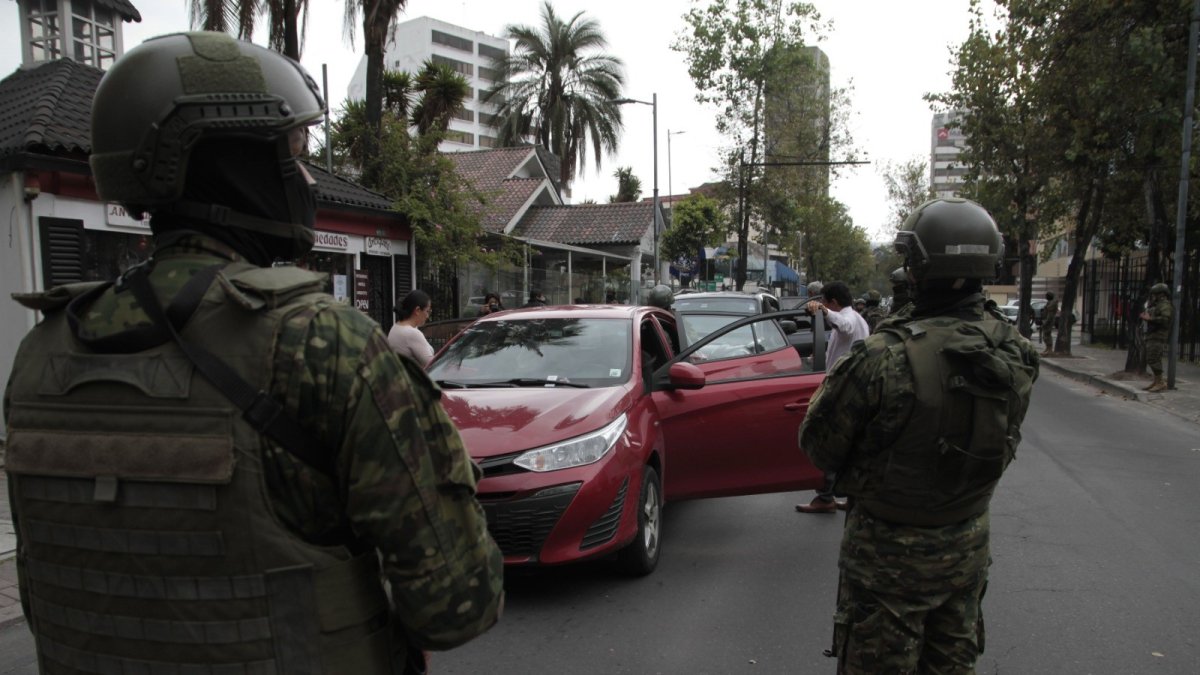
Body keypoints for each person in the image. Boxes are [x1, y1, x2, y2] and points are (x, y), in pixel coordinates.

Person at [4, 33, 502, 674]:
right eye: (292, 153)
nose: (303, 177)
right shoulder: (323, 344)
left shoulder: (44, 352)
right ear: (235, 165)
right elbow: (457, 603)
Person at [799, 198, 1038, 673]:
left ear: (916, 270)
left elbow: (818, 446)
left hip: (887, 564)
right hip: (966, 550)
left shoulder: (880, 358)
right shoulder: (1016, 351)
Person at [795, 280, 870, 514]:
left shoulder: (849, 318)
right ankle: (849, 496)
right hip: (852, 388)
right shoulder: (860, 319)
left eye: (825, 303)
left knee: (829, 442)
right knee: (851, 447)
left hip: (842, 391)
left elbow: (843, 326)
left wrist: (824, 312)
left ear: (833, 302)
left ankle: (826, 496)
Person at [1140, 282, 1174, 392]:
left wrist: (1151, 319)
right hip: (1152, 335)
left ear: (1161, 294)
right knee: (1151, 358)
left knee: (1153, 358)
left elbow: (1165, 320)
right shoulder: (1157, 305)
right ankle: (1156, 381)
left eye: (1155, 294)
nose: (1153, 297)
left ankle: (1160, 382)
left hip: (1158, 336)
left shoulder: (1165, 305)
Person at [389, 289, 436, 366]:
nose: (427, 316)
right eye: (427, 311)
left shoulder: (396, 326)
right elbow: (432, 365)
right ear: (417, 310)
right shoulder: (412, 333)